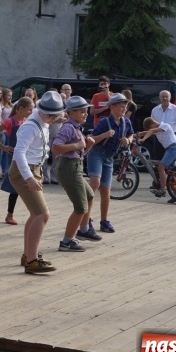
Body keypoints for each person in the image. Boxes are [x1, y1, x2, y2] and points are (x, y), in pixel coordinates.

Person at [10, 91, 64, 273]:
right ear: (40, 110)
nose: (52, 118)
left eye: (55, 115)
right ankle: (32, 261)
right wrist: (29, 177)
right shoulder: (30, 126)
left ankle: (28, 255)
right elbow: (19, 153)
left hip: (34, 169)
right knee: (42, 214)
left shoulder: (42, 120)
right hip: (25, 170)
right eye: (50, 115)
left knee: (35, 214)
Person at [52, 96, 101, 252]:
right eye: (82, 111)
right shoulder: (68, 128)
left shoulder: (77, 127)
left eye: (86, 111)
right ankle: (66, 241)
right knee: (80, 207)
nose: (86, 114)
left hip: (75, 167)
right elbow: (56, 148)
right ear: (71, 113)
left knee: (89, 196)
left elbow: (78, 153)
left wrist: (88, 146)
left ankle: (84, 230)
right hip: (68, 169)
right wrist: (78, 144)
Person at [88, 93, 134, 233]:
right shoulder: (104, 122)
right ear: (112, 107)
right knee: (95, 184)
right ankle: (86, 219)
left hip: (109, 157)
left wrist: (128, 140)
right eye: (121, 106)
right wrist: (105, 135)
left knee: (106, 190)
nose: (124, 109)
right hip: (97, 154)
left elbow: (131, 134)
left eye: (125, 106)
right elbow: (91, 139)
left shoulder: (126, 122)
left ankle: (104, 221)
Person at [0, 97, 34, 225]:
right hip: (14, 157)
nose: (31, 112)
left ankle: (35, 212)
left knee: (29, 184)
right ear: (21, 108)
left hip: (26, 157)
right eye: (29, 110)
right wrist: (3, 147)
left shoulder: (27, 121)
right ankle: (10, 215)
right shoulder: (10, 121)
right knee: (14, 187)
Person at [139, 117, 176, 202]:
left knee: (161, 167)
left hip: (173, 149)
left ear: (152, 125)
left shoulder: (165, 126)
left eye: (150, 128)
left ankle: (162, 190)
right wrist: (133, 136)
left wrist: (143, 139)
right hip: (169, 150)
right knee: (171, 174)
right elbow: (146, 132)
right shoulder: (156, 130)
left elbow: (151, 131)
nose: (151, 130)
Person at [150, 90, 176, 161]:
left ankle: (170, 168)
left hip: (172, 136)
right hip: (159, 136)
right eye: (163, 97)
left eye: (166, 97)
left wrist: (173, 131)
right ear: (159, 98)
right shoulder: (155, 110)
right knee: (158, 157)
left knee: (171, 158)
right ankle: (159, 168)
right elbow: (152, 124)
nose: (164, 98)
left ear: (170, 98)